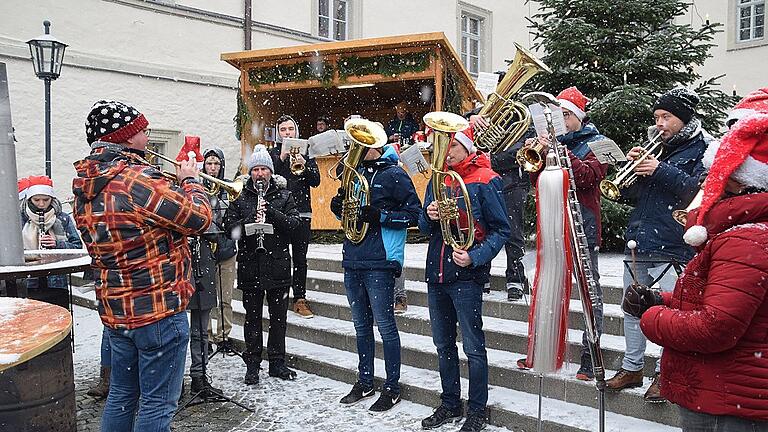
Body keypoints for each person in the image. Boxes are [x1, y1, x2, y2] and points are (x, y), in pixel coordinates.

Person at [626, 87, 768, 430]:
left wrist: (652, 316)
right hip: (728, 393)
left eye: (717, 174)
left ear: (739, 177)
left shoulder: (746, 236)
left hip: (727, 401)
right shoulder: (744, 230)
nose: (711, 183)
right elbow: (726, 301)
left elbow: (715, 326)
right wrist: (664, 300)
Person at [72, 100, 212, 431]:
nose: (147, 136)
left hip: (117, 311)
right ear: (125, 137)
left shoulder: (85, 184)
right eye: (142, 131)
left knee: (121, 396)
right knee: (158, 404)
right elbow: (199, 219)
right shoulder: (136, 180)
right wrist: (191, 181)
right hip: (157, 310)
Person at [605, 88, 709, 403]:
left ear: (684, 119)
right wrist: (632, 170)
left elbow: (698, 192)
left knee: (674, 315)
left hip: (673, 244)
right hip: (640, 240)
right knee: (632, 310)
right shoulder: (658, 150)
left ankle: (667, 375)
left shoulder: (704, 150)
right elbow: (631, 196)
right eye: (657, 117)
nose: (660, 123)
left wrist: (659, 170)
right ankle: (632, 366)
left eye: (667, 117)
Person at [419, 129, 510, 432]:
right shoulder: (437, 178)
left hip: (466, 275)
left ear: (467, 147)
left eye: (453, 145)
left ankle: (477, 410)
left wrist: (476, 256)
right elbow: (421, 225)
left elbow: (501, 230)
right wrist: (429, 215)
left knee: (473, 347)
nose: (446, 151)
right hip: (437, 272)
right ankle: (449, 403)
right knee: (443, 345)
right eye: (443, 146)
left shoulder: (487, 178)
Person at [330, 141, 421, 412]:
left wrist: (381, 216)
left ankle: (392, 387)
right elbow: (348, 213)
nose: (353, 150)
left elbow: (414, 214)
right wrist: (338, 207)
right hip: (353, 258)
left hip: (380, 261)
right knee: (361, 327)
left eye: (359, 145)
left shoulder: (394, 173)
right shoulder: (353, 172)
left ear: (376, 146)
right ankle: (365, 380)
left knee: (386, 326)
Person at [524, 87, 609, 381]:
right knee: (548, 284)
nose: (560, 120)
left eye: (565, 115)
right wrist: (538, 156)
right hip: (552, 223)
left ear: (577, 117)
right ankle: (543, 349)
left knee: (590, 292)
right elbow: (536, 178)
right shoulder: (554, 143)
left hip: (582, 226)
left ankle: (591, 355)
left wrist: (560, 151)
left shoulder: (598, 143)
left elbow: (587, 177)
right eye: (557, 115)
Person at [225, 144, 301, 385]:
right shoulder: (241, 197)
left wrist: (271, 215)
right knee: (252, 318)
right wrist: (251, 220)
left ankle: (277, 363)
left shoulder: (284, 195)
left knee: (278, 318)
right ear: (251, 173)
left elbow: (295, 225)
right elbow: (231, 230)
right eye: (255, 169)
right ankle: (253, 364)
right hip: (251, 266)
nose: (259, 174)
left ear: (270, 172)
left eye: (263, 169)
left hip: (277, 265)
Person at [469, 104, 532, 302]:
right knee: (482, 229)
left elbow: (519, 153)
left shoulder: (522, 117)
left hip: (512, 183)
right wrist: (471, 117)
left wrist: (490, 159)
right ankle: (482, 274)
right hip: (487, 182)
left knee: (514, 233)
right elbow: (462, 128)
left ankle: (516, 278)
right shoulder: (484, 112)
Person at [269, 115, 321, 318]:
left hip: (302, 212)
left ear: (296, 131)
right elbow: (267, 178)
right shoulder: (272, 153)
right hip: (280, 213)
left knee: (300, 258)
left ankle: (299, 298)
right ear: (278, 133)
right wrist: (281, 159)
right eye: (283, 130)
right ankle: (279, 294)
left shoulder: (306, 151)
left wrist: (304, 166)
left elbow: (316, 181)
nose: (287, 133)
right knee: (280, 256)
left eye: (290, 129)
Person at [20, 175, 83, 308]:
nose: (41, 204)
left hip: (57, 282)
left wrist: (57, 244)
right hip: (29, 282)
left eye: (46, 200)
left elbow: (77, 246)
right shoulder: (21, 219)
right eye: (36, 200)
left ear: (52, 199)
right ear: (29, 199)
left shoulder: (62, 218)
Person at [201, 148, 238, 350]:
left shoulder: (228, 190)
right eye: (209, 164)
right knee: (206, 297)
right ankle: (205, 337)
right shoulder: (198, 189)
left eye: (216, 164)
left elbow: (234, 220)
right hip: (205, 249)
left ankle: (224, 336)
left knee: (225, 298)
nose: (213, 168)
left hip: (226, 249)